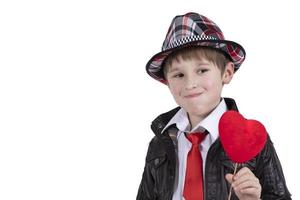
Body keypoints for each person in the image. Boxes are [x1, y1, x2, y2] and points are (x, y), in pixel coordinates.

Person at [136, 12, 291, 200]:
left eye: (202, 70)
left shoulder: (253, 140)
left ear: (226, 73)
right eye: (179, 75)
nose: (190, 84)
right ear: (167, 82)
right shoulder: (159, 144)